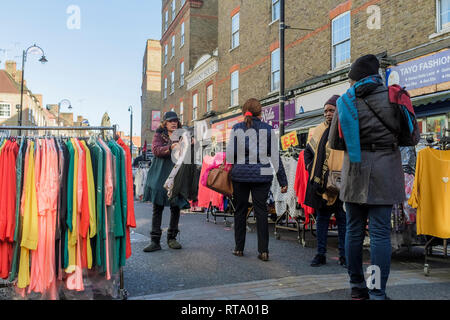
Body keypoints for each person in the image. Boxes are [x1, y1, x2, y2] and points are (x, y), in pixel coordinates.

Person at [329, 54, 405, 300]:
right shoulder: (394, 96)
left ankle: (357, 287)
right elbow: (409, 137)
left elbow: (334, 142)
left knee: (353, 231)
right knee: (380, 234)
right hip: (385, 169)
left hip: (355, 170)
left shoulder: (345, 101)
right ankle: (376, 290)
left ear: (355, 79)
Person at [226, 98, 288, 262]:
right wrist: (283, 181)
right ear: (260, 113)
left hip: (240, 175)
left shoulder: (236, 128)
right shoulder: (268, 129)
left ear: (244, 112)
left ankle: (239, 248)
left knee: (240, 211)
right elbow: (275, 157)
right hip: (263, 174)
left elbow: (229, 156)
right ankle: (263, 251)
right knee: (261, 212)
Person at [304, 95, 346, 268]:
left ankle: (344, 255)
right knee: (322, 219)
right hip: (322, 184)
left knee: (343, 220)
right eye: (326, 111)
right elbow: (307, 152)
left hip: (342, 182)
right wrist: (311, 167)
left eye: (331, 110)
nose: (328, 114)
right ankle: (320, 254)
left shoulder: (345, 127)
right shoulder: (319, 130)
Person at [143, 111, 184, 252]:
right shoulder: (159, 135)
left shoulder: (182, 134)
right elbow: (155, 150)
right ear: (165, 123)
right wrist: (170, 147)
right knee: (158, 207)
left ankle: (172, 238)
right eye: (170, 121)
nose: (174, 123)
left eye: (176, 121)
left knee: (175, 206)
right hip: (161, 174)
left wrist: (192, 143)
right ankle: (155, 241)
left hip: (176, 174)